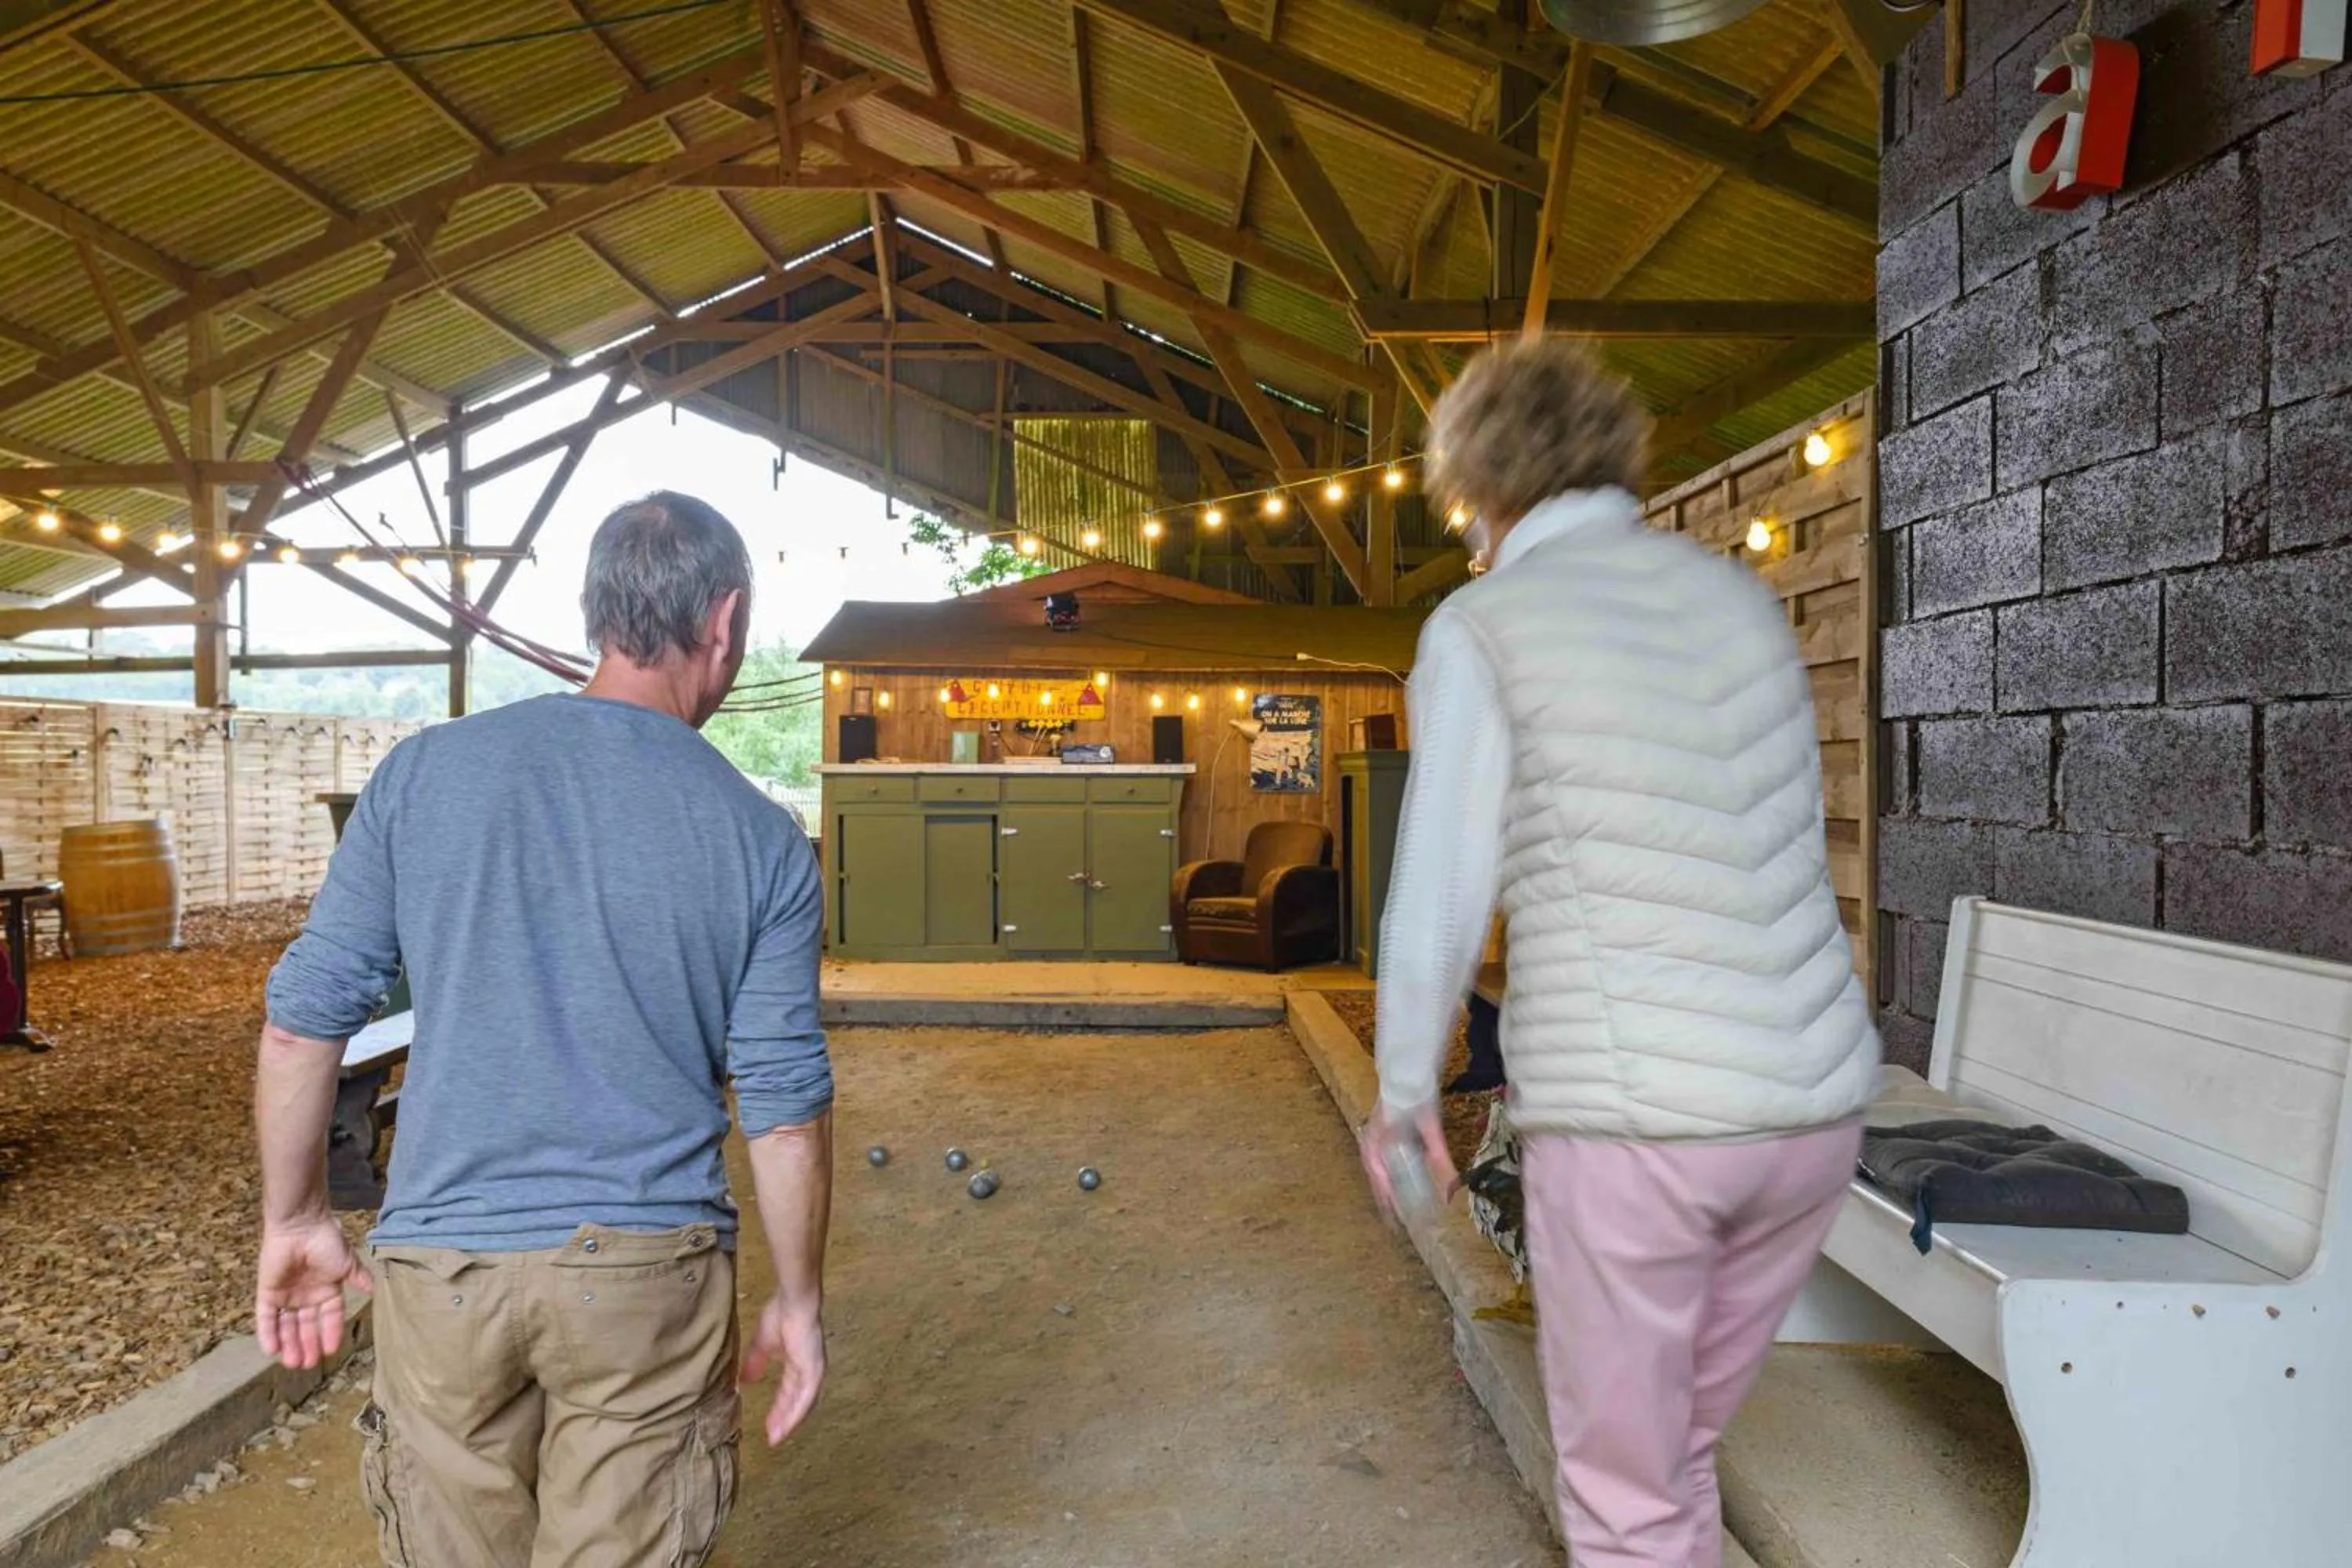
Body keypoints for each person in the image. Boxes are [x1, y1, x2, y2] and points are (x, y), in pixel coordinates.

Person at [1363, 340, 1878, 1568]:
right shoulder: (1736, 600)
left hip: (1641, 1128)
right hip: (1811, 1120)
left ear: (1480, 486)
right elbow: (1791, 838)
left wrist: (1399, 1098)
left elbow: (1441, 887)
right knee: (1671, 1464)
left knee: (1625, 1503)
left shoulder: (1486, 623)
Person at [250, 492, 833, 1567]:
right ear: (726, 621)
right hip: (649, 1275)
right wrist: (799, 1302)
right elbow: (785, 1108)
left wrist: (294, 1217)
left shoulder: (421, 777)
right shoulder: (763, 840)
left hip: (442, 1267)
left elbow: (303, 1024)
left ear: (596, 613)